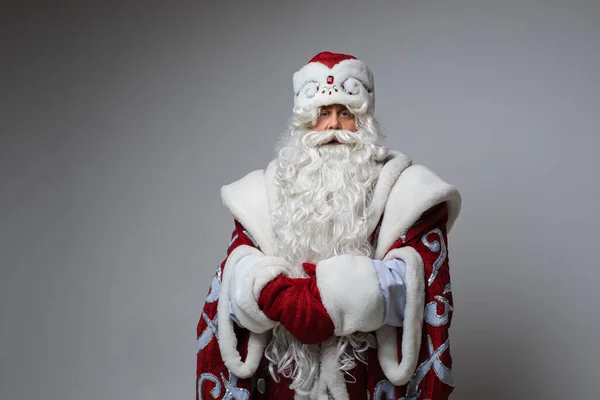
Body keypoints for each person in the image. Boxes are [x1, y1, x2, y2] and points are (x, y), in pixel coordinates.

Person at [195, 51, 462, 400]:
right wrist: (277, 295)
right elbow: (234, 272)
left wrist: (332, 300)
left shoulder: (407, 191)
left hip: (368, 379)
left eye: (345, 113)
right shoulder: (263, 191)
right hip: (285, 379)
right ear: (304, 123)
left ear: (363, 122)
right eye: (322, 113)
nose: (333, 125)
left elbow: (423, 282)